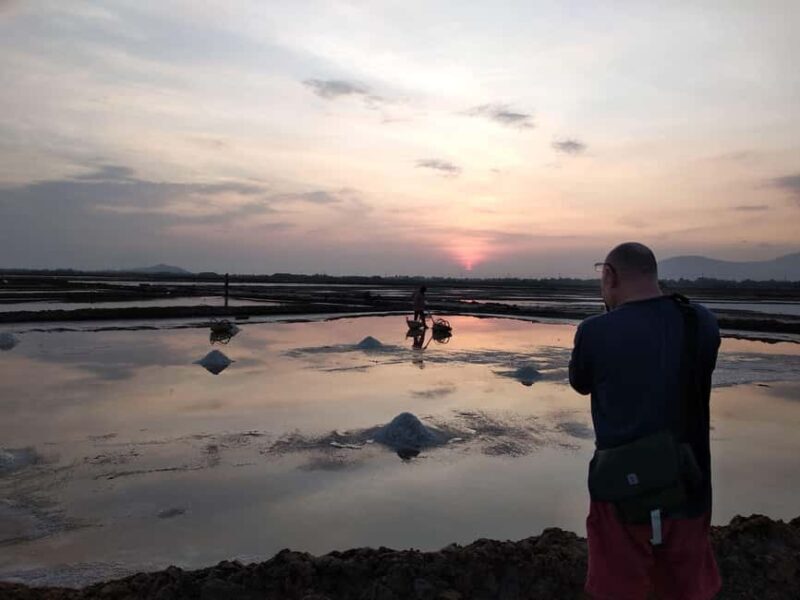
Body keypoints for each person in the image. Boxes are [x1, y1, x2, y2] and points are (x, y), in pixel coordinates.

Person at [569, 242, 722, 600]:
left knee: (619, 590)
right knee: (686, 591)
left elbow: (581, 382)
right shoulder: (701, 321)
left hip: (620, 490)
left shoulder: (594, 331)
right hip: (688, 485)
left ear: (609, 276)